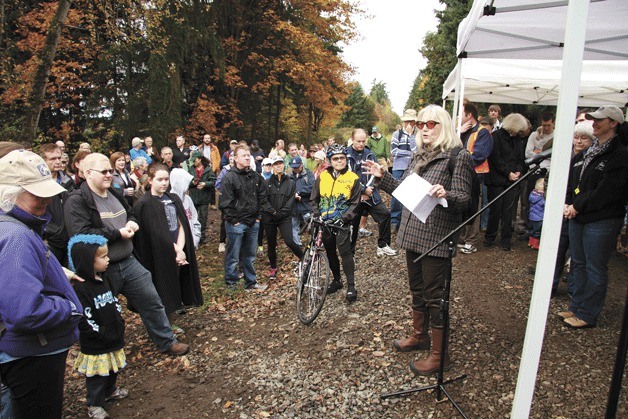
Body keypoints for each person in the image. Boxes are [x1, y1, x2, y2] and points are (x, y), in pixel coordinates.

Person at [363, 104, 473, 376]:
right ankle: (419, 335)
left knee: (436, 297)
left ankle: (439, 355)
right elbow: (406, 192)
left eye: (431, 124)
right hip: (413, 234)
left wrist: (445, 193)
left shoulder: (457, 157)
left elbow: (465, 199)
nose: (424, 128)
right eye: (422, 124)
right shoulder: (418, 156)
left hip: (437, 237)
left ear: (444, 126)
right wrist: (384, 177)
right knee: (417, 290)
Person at [64, 153, 189, 355]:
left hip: (128, 261)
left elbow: (129, 213)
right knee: (102, 313)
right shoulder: (77, 201)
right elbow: (81, 233)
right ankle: (102, 355)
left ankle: (166, 341)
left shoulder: (114, 193)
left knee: (152, 300)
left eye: (110, 171)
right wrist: (117, 234)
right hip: (101, 269)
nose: (108, 175)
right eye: (103, 172)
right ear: (87, 173)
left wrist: (132, 222)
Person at [0, 150, 83, 418]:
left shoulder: (15, 228)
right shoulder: (15, 237)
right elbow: (26, 311)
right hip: (32, 354)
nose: (47, 199)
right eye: (37, 193)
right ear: (8, 193)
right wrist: (68, 308)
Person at [560, 105, 628, 328]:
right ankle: (576, 306)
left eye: (600, 120)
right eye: (593, 120)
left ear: (614, 123)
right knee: (578, 263)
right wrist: (570, 202)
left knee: (594, 266)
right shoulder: (591, 150)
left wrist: (577, 206)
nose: (595, 123)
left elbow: (608, 190)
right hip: (579, 216)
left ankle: (588, 313)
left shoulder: (620, 155)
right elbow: (577, 181)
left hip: (602, 219)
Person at [133, 164, 203, 333]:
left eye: (166, 179)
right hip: (158, 254)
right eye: (159, 179)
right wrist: (176, 250)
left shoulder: (173, 198)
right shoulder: (145, 203)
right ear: (150, 180)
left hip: (177, 250)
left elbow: (182, 225)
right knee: (161, 288)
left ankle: (170, 323)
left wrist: (180, 248)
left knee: (174, 286)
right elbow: (153, 232)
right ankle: (160, 326)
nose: (164, 183)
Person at [68, 235, 129, 419]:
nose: (108, 259)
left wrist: (119, 322)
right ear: (87, 261)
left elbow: (113, 301)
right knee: (97, 376)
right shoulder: (81, 289)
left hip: (113, 336)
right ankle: (94, 404)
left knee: (112, 369)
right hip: (96, 343)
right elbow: (83, 318)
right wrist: (100, 332)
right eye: (103, 257)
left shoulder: (105, 279)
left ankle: (110, 391)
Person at [310, 144, 361, 302]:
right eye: (335, 159)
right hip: (324, 223)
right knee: (330, 252)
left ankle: (351, 286)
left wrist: (345, 218)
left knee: (345, 253)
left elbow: (355, 204)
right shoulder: (322, 177)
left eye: (342, 158)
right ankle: (337, 280)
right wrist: (317, 215)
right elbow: (314, 199)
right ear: (329, 161)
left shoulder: (353, 178)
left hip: (341, 223)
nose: (339, 161)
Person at [219, 144, 273, 290]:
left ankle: (251, 282)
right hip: (236, 223)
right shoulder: (229, 177)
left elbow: (263, 198)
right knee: (233, 256)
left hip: (253, 222)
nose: (248, 157)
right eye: (244, 155)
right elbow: (225, 203)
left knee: (250, 256)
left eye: (248, 155)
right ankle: (232, 284)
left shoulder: (256, 176)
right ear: (235, 158)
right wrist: (234, 221)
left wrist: (258, 217)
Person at [552, 123, 595, 296]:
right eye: (576, 137)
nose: (578, 141)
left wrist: (574, 205)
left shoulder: (590, 160)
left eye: (584, 138)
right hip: (563, 208)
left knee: (577, 257)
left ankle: (573, 290)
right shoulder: (564, 156)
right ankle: (551, 286)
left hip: (580, 211)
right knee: (558, 251)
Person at [347, 128, 398, 256]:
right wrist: (362, 190)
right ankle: (349, 252)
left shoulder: (369, 154)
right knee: (352, 224)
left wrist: (368, 190)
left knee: (385, 214)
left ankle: (383, 245)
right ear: (352, 139)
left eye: (363, 141)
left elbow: (374, 173)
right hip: (353, 196)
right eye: (358, 141)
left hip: (371, 194)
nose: (361, 144)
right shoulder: (346, 154)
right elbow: (347, 176)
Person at [484, 113, 527, 251]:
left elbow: (521, 158)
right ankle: (490, 236)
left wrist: (519, 171)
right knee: (495, 210)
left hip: (511, 180)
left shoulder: (518, 139)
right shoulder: (496, 137)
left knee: (508, 211)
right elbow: (495, 158)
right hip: (497, 179)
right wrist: (508, 173)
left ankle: (506, 239)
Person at [458, 103, 493, 254]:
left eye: (462, 114)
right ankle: (462, 237)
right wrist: (458, 133)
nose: (459, 117)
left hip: (476, 177)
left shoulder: (482, 133)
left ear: (469, 115)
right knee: (462, 206)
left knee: (474, 208)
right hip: (462, 175)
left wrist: (460, 163)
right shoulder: (463, 132)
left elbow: (478, 155)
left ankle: (471, 240)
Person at [263, 156, 304, 279]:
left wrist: (281, 213)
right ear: (272, 166)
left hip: (284, 217)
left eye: (280, 163)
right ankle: (273, 267)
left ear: (284, 165)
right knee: (271, 243)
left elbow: (291, 200)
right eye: (276, 164)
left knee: (289, 241)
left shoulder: (290, 182)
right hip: (269, 218)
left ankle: (303, 258)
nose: (278, 166)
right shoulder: (267, 183)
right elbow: (264, 200)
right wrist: (273, 212)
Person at [37, 143, 74, 266]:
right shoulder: (37, 185)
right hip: (50, 240)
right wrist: (48, 232)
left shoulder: (68, 181)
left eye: (59, 158)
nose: (58, 161)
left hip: (69, 237)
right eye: (53, 159)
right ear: (43, 161)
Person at [390, 109, 418, 233]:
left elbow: (417, 151)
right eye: (407, 121)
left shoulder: (418, 135)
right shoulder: (397, 134)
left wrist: (411, 136)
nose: (408, 124)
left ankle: (405, 222)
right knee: (396, 194)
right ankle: (394, 221)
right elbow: (393, 152)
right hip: (398, 168)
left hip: (412, 168)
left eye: (411, 121)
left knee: (410, 195)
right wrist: (409, 153)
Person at [187, 151, 216, 244]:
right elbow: (187, 181)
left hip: (204, 198)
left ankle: (202, 237)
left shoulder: (208, 169)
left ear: (199, 159)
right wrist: (192, 182)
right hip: (193, 197)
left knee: (203, 218)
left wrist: (205, 184)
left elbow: (213, 181)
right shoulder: (191, 169)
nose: (193, 162)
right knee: (192, 218)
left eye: (194, 160)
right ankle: (193, 236)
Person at [170, 168, 202, 249]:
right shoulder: (169, 202)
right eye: (186, 182)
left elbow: (195, 220)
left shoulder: (188, 199)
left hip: (191, 244)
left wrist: (195, 239)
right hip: (176, 247)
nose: (188, 186)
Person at [291, 156, 314, 247]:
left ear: (301, 165)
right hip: (294, 206)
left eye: (297, 166)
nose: (295, 169)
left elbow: (312, 187)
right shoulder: (290, 175)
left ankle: (313, 242)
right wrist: (293, 194)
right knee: (294, 226)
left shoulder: (308, 174)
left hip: (306, 205)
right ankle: (297, 244)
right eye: (294, 167)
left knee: (310, 226)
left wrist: (300, 192)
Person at [198, 134, 221, 209]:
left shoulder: (214, 148)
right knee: (202, 184)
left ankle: (212, 203)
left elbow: (218, 158)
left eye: (208, 138)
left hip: (212, 168)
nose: (207, 139)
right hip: (203, 168)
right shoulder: (200, 148)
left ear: (210, 139)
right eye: (205, 138)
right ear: (203, 139)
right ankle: (203, 202)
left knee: (211, 186)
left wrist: (215, 167)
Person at [527, 178, 545, 250]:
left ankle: (530, 242)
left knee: (531, 230)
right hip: (539, 217)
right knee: (537, 232)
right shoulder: (541, 197)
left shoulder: (533, 194)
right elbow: (544, 204)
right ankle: (535, 244)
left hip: (532, 216)